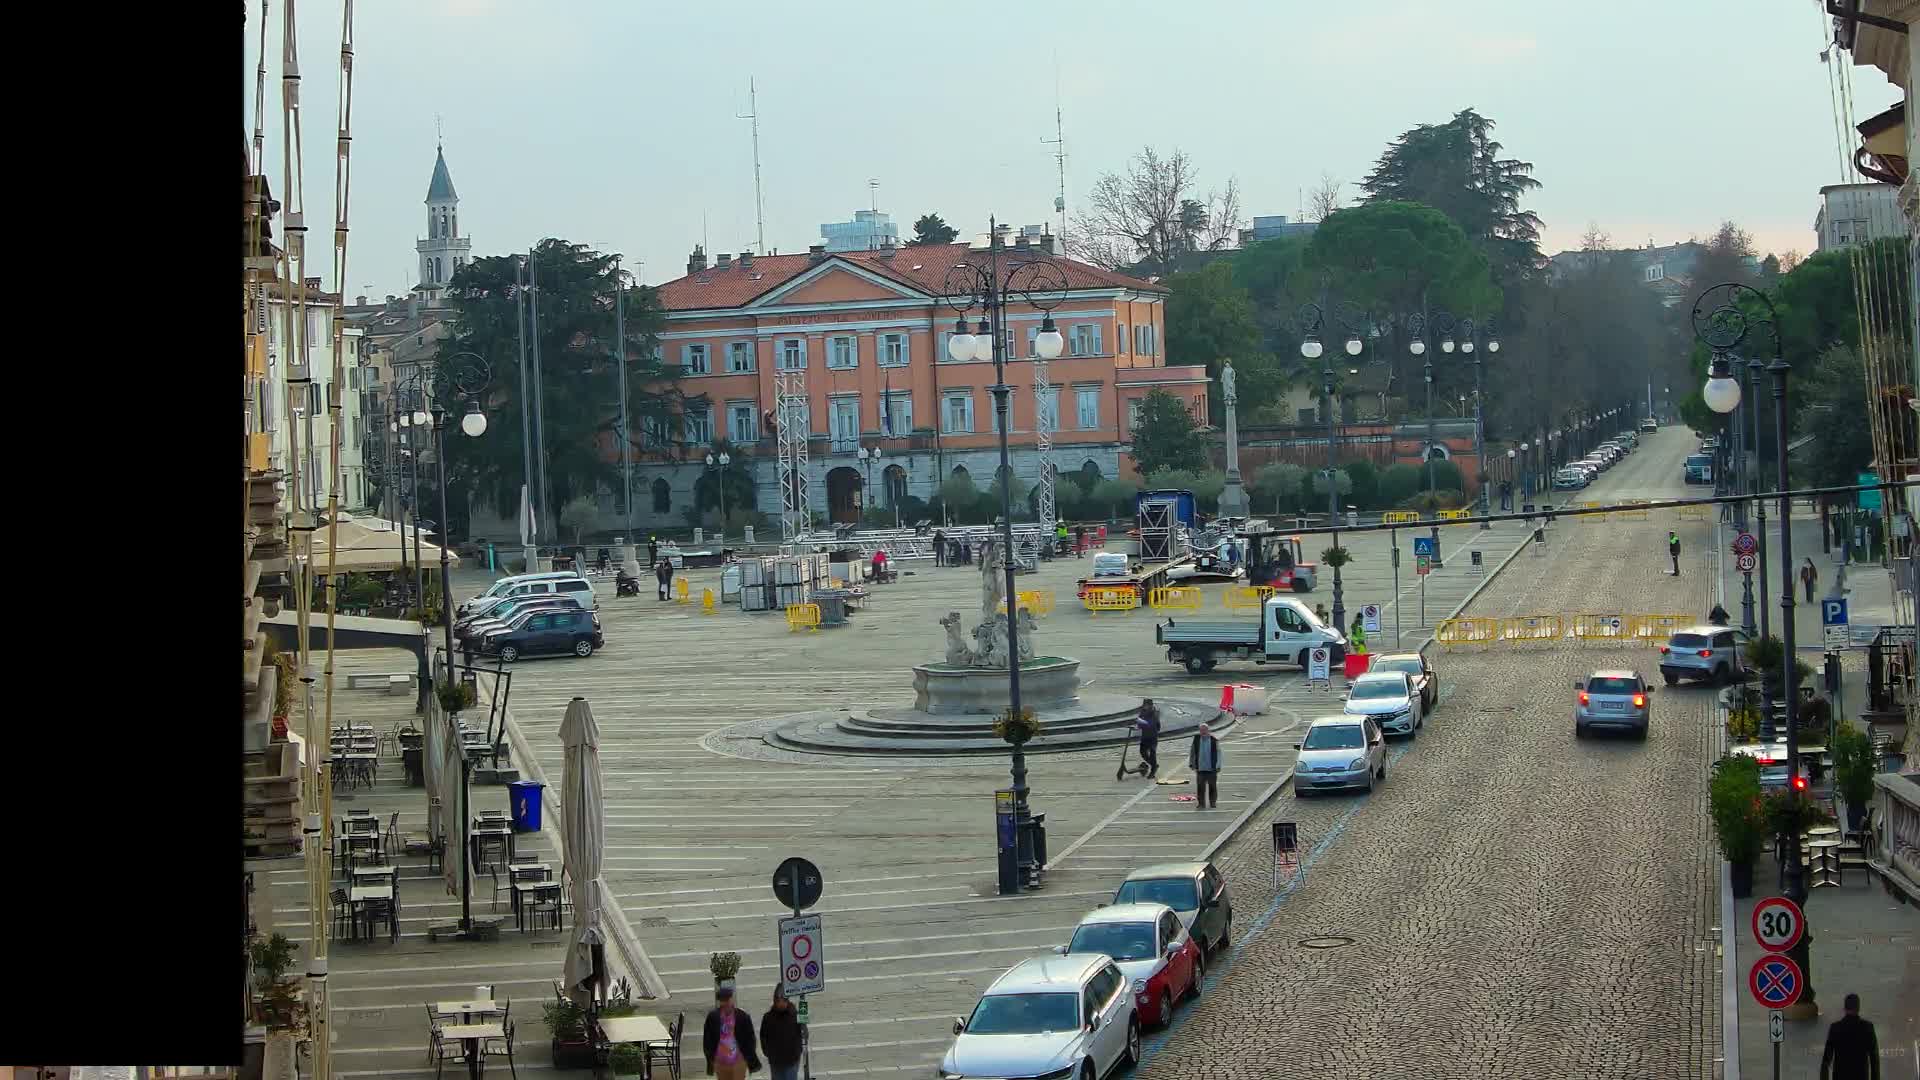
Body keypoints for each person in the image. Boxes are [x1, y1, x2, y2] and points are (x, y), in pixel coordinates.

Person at [703, 981, 762, 1080]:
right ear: (719, 1001)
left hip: (738, 1062)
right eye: (723, 1000)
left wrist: (746, 1057)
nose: (725, 1003)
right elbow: (707, 1040)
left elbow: (750, 1039)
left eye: (727, 999)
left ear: (732, 999)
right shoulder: (713, 1017)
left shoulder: (742, 1017)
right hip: (721, 1062)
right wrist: (711, 1057)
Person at [1819, 992, 1880, 1080]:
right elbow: (1874, 1060)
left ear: (1845, 1008)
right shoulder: (1867, 1027)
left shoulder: (1835, 1028)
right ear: (1858, 1008)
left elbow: (1826, 1061)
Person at [759, 985, 803, 1080]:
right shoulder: (768, 1017)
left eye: (783, 1000)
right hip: (775, 1061)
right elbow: (763, 1036)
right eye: (778, 1001)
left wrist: (797, 1051)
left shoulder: (795, 1015)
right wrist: (767, 1052)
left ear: (787, 1000)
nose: (781, 1003)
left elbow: (802, 1033)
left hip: (791, 1060)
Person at [1188, 721, 1221, 809]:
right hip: (1200, 768)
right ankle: (1201, 803)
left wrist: (1218, 765)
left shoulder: (1214, 740)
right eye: (1201, 730)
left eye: (1204, 730)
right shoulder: (1197, 739)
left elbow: (1219, 753)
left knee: (1212, 786)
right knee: (1200, 787)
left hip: (1211, 768)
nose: (1203, 732)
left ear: (1208, 730)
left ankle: (1212, 802)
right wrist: (1191, 763)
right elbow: (1193, 752)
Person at [1135, 698, 1161, 778]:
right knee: (1142, 752)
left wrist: (1144, 723)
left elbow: (1153, 724)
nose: (1145, 707)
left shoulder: (1154, 713)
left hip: (1152, 736)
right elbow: (1139, 721)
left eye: (1146, 705)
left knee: (1152, 753)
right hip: (1145, 736)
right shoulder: (1142, 712)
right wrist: (1138, 725)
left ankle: (1153, 770)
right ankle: (1154, 765)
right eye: (1144, 705)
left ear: (1150, 705)